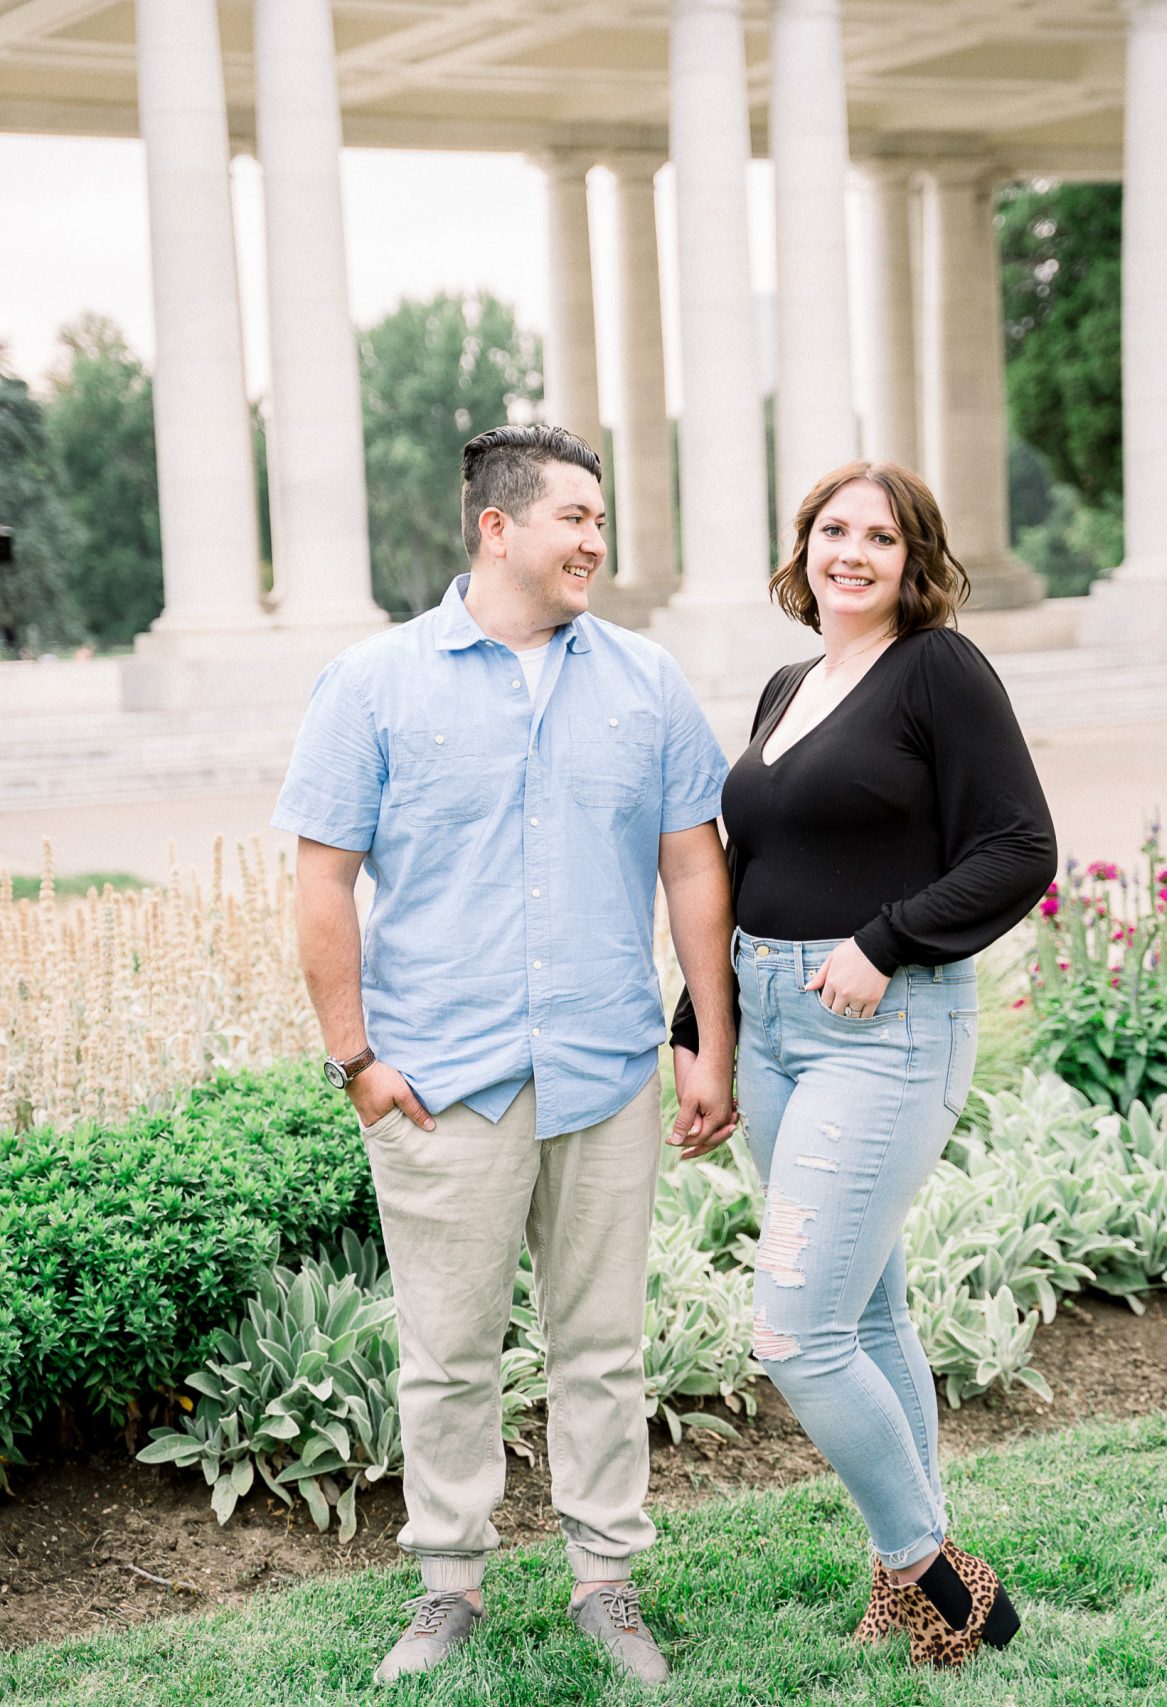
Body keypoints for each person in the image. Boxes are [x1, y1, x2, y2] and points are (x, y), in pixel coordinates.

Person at [274, 424, 739, 1687]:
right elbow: (323, 881)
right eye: (575, 518)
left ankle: (606, 1581)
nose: (596, 539)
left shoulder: (645, 680)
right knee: (448, 1351)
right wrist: (356, 1060)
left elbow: (694, 862)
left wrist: (710, 1041)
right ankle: (447, 1589)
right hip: (438, 1078)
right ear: (496, 526)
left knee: (603, 1344)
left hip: (605, 1069)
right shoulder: (372, 685)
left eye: (600, 519)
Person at [666, 458, 1056, 1668]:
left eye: (880, 538)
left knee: (793, 1330)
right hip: (773, 1027)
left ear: (913, 560)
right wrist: (700, 1029)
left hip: (881, 1032)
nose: (852, 552)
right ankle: (910, 1585)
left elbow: (1019, 848)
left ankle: (943, 1580)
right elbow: (750, 861)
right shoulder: (789, 684)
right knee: (868, 1310)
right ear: (803, 547)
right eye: (833, 530)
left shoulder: (938, 670)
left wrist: (887, 941)